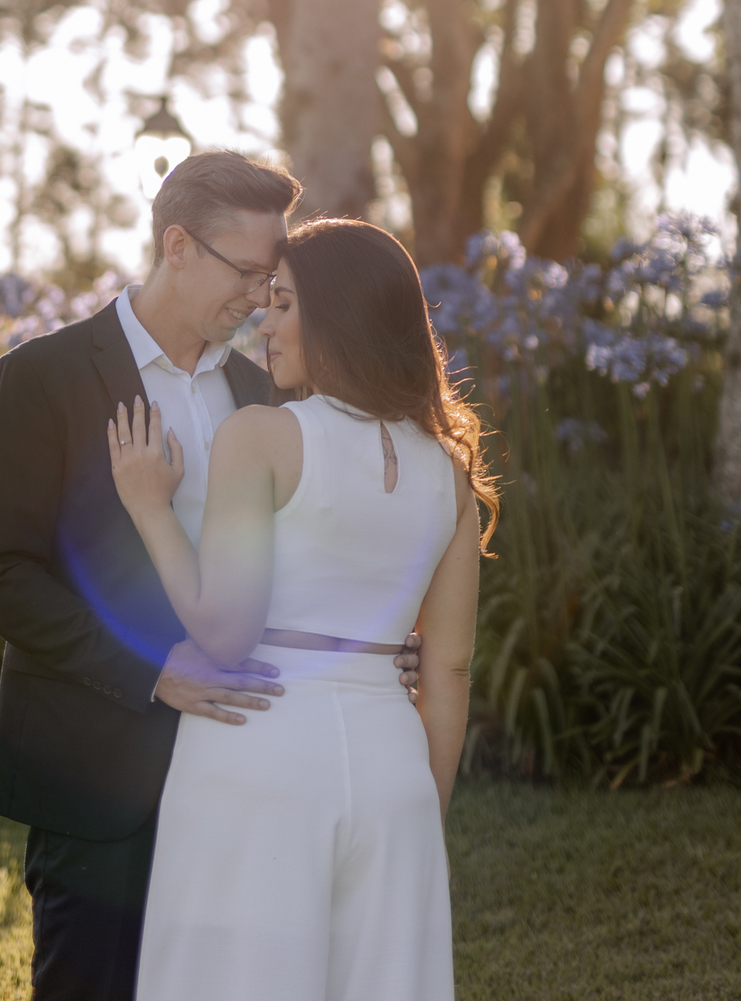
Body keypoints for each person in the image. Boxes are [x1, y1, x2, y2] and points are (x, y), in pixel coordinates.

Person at [0, 152, 422, 1001]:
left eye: (269, 278)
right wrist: (153, 672)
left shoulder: (267, 394)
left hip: (250, 775)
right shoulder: (43, 375)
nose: (257, 297)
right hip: (94, 776)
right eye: (246, 272)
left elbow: (305, 557)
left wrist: (378, 641)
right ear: (177, 246)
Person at [108, 216, 499, 1001]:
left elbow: (224, 633)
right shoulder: (449, 472)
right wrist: (423, 806)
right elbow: (448, 668)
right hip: (394, 768)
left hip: (257, 751)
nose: (266, 320)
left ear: (339, 317)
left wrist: (149, 506)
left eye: (284, 304)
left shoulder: (261, 437)